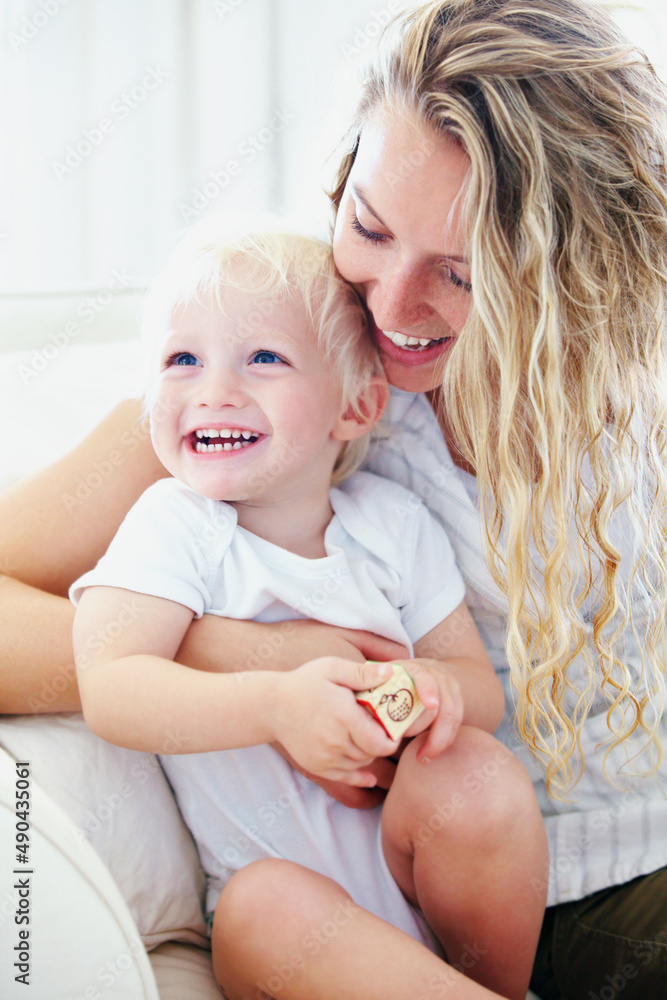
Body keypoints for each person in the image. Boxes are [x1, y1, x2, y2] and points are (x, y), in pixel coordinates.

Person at [1, 1, 666, 997]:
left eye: (460, 272)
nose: (390, 310)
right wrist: (259, 657)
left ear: (565, 279)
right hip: (413, 879)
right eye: (369, 227)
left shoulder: (627, 402)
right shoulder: (268, 400)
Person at [69, 222, 547, 1000]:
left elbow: (476, 687)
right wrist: (277, 704)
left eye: (263, 358)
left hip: (423, 897)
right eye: (180, 359)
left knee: (477, 776)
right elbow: (113, 685)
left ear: (355, 407)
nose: (212, 390)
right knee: (266, 903)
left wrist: (434, 690)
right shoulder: (178, 526)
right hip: (282, 935)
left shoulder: (391, 524)